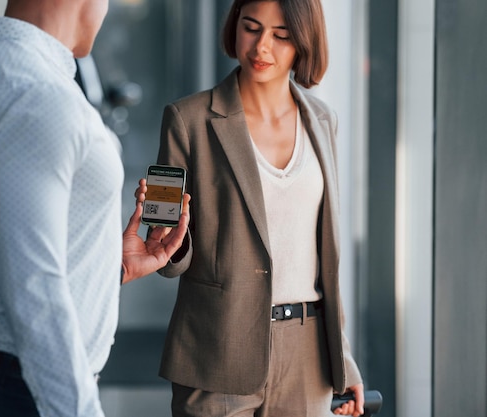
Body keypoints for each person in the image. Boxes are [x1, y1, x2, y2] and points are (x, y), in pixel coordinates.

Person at [0, 0, 189, 416]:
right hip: (23, 389)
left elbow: (8, 248)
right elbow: (35, 290)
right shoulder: (36, 95)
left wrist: (108, 268)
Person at [136, 0, 365, 416]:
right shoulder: (185, 119)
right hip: (217, 347)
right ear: (234, 28)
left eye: (281, 36)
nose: (262, 47)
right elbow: (165, 251)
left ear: (303, 42)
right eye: (252, 28)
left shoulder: (323, 120)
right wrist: (165, 237)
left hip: (308, 356)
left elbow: (324, 260)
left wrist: (343, 359)